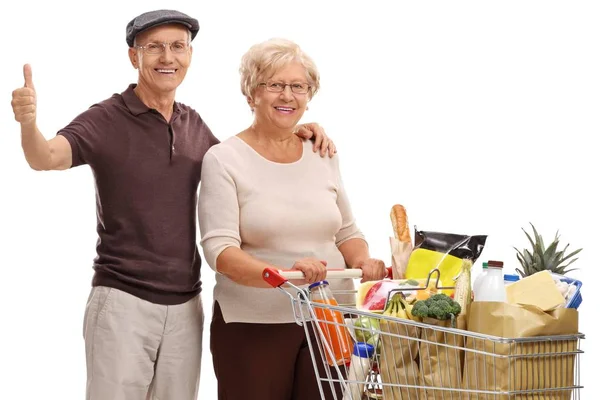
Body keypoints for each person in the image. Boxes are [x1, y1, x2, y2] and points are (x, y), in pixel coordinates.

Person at [10, 10, 334, 400]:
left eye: (178, 47)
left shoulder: (193, 124)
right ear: (134, 57)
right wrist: (28, 123)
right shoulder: (105, 119)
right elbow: (44, 157)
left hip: (185, 304)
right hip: (122, 300)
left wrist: (293, 131)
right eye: (155, 48)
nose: (168, 57)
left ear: (190, 55)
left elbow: (247, 161)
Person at [198, 38, 387, 400]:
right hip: (256, 324)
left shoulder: (321, 152)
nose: (288, 96)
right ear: (252, 93)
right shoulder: (224, 159)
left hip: (330, 318)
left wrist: (362, 260)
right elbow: (220, 251)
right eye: (275, 85)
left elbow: (346, 230)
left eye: (298, 87)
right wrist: (284, 276)